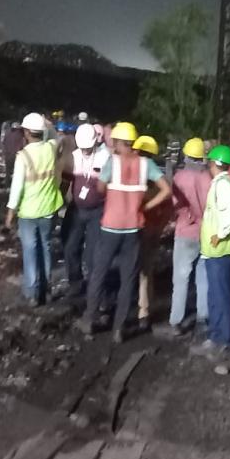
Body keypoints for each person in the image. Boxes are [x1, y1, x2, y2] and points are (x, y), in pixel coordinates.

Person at [78, 121, 170, 344]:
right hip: (133, 228)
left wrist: (111, 189)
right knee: (128, 279)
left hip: (110, 227)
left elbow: (100, 188)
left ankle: (89, 321)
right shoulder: (146, 164)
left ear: (119, 142)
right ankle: (119, 329)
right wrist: (145, 206)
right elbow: (166, 190)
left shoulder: (113, 162)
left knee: (98, 273)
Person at [5, 112, 63, 305]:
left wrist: (10, 213)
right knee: (45, 248)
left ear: (27, 132)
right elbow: (56, 136)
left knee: (30, 251)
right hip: (48, 210)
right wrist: (48, 124)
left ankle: (32, 292)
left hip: (28, 212)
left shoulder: (23, 156)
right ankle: (46, 290)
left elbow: (17, 188)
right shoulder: (50, 148)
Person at [193, 145, 230, 359]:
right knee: (214, 296)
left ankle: (227, 342)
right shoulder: (220, 184)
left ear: (215, 164)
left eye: (210, 163)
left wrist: (220, 234)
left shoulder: (223, 186)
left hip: (221, 251)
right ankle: (216, 337)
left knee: (222, 296)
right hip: (213, 252)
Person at [168, 137, 211, 334]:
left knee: (181, 278)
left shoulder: (180, 177)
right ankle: (203, 317)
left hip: (185, 231)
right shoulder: (207, 178)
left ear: (186, 155)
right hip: (205, 232)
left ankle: (176, 321)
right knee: (203, 277)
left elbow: (174, 205)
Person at [61, 122, 107, 303]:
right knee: (70, 245)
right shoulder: (73, 157)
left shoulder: (105, 158)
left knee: (92, 254)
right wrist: (59, 203)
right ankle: (75, 282)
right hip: (77, 209)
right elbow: (65, 182)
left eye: (89, 148)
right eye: (83, 148)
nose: (86, 151)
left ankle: (95, 289)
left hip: (98, 210)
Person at [133, 135, 173, 333]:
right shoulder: (159, 179)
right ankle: (144, 311)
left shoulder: (132, 173)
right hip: (153, 229)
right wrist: (161, 226)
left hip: (134, 228)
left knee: (132, 268)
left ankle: (130, 307)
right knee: (146, 270)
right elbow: (168, 207)